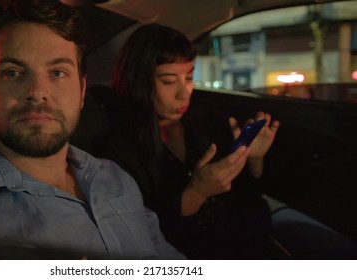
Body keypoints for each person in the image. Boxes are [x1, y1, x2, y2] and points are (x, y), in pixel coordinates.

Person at [0, 0, 185, 260]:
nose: (38, 93)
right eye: (13, 73)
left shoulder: (116, 178)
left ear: (82, 90)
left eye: (57, 73)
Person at [99, 23, 282, 259]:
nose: (184, 93)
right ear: (139, 79)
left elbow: (248, 196)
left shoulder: (205, 119)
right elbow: (141, 239)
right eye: (168, 81)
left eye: (189, 77)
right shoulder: (120, 148)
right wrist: (195, 194)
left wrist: (253, 159)